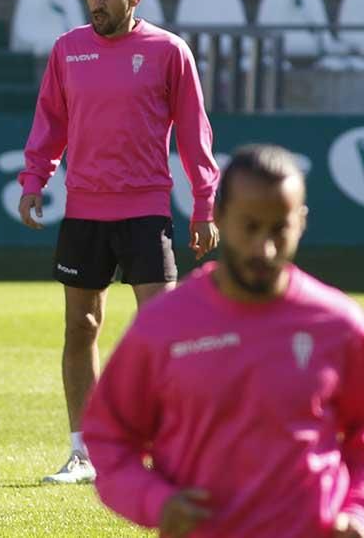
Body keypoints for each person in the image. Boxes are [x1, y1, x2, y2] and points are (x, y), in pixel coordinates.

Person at [82, 144, 364, 538]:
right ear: (219, 215)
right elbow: (109, 438)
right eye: (249, 226)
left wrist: (356, 510)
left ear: (300, 222)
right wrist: (155, 501)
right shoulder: (163, 325)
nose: (264, 248)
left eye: (279, 228)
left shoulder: (339, 324)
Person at [17, 0, 220, 484]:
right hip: (84, 211)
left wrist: (204, 204)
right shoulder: (67, 50)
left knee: (163, 332)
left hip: (146, 210)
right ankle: (84, 453)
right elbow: (49, 125)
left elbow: (196, 136)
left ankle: (171, 448)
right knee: (80, 327)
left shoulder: (168, 51)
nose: (97, 3)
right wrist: (34, 180)